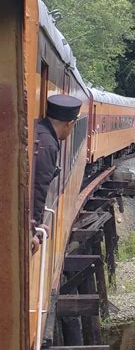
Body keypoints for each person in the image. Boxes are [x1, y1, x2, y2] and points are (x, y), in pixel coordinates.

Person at [31, 94, 82, 254]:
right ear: (69, 124)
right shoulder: (48, 145)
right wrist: (33, 228)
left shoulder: (39, 130)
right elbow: (38, 187)